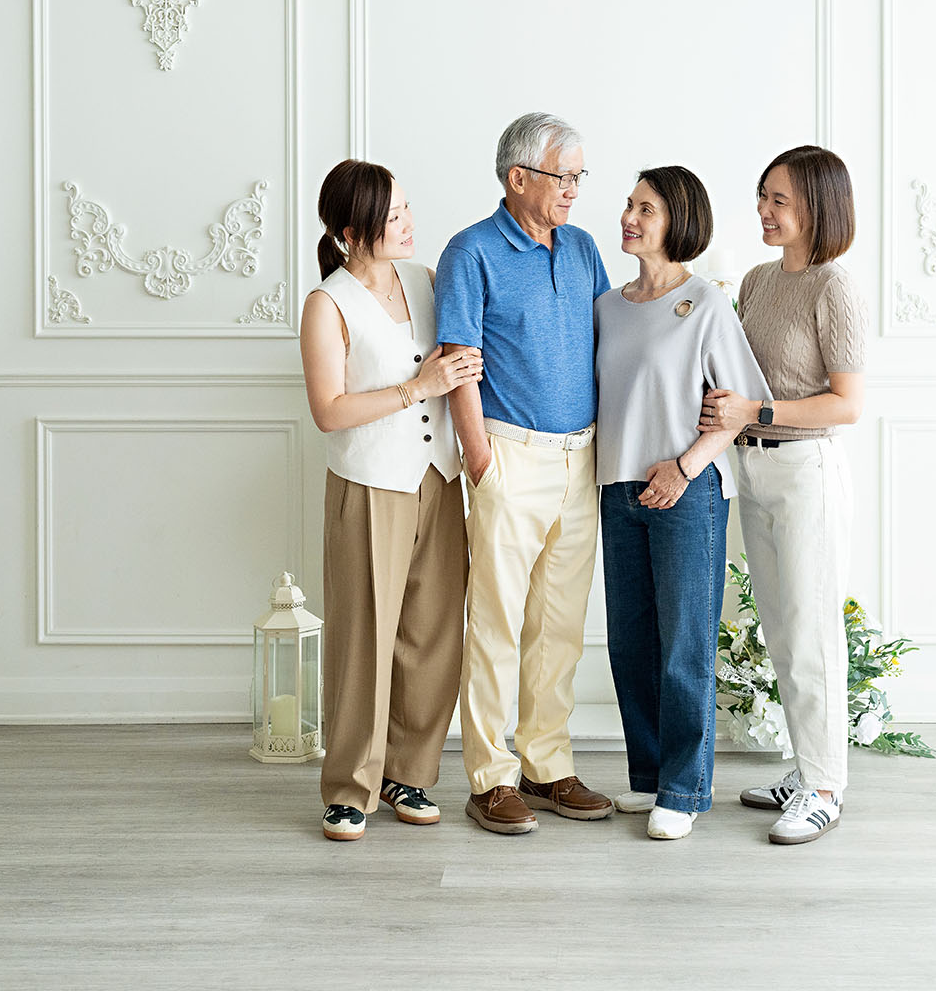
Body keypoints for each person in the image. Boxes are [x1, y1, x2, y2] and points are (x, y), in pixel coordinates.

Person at [435, 113, 617, 835]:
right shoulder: (471, 251)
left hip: (583, 457)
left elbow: (614, 337)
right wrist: (481, 460)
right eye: (562, 177)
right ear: (519, 179)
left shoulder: (581, 248)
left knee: (560, 626)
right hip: (509, 455)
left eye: (578, 177)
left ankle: (546, 765)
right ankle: (489, 777)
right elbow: (458, 363)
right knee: (496, 623)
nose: (574, 190)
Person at [299, 159, 484, 842]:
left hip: (438, 475)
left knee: (434, 633)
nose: (410, 223)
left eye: (407, 209)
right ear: (352, 232)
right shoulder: (328, 303)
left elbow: (456, 364)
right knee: (363, 640)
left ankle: (411, 772)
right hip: (370, 484)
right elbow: (329, 410)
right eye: (394, 216)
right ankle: (349, 787)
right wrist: (419, 385)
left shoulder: (427, 279)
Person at [699, 145, 868, 845]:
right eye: (763, 196)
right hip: (753, 470)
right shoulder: (757, 281)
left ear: (817, 209)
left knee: (811, 635)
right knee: (778, 628)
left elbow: (846, 405)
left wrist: (756, 415)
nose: (765, 211)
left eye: (780, 201)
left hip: (805, 472)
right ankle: (807, 771)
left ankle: (826, 787)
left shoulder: (835, 288)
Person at [594, 167, 770, 840]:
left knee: (684, 646)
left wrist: (684, 468)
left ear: (679, 221)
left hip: (688, 496)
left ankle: (686, 789)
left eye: (646, 208)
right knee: (632, 644)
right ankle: (650, 777)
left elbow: (735, 411)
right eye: (629, 205)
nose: (629, 217)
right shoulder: (607, 307)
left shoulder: (706, 304)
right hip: (618, 490)